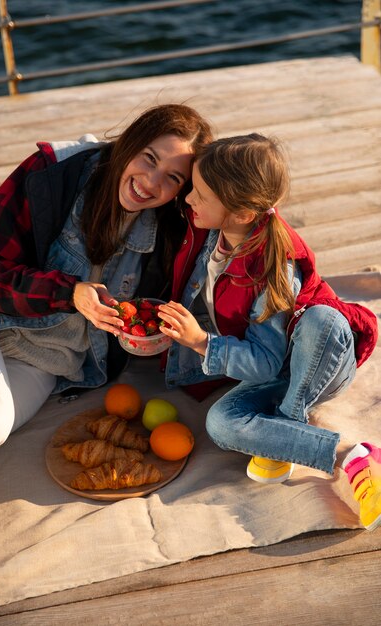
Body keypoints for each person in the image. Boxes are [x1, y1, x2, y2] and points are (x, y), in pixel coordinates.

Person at [0, 103, 213, 479]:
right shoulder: (53, 173)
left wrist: (153, 333)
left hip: (47, 359)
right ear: (131, 142)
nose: (151, 182)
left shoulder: (171, 227)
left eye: (172, 178)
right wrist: (68, 292)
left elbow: (235, 222)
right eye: (149, 158)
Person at [157, 133, 380, 531]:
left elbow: (263, 363)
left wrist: (199, 342)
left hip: (321, 357)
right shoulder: (215, 233)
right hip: (279, 366)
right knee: (220, 422)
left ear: (242, 213)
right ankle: (319, 443)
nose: (188, 198)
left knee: (320, 319)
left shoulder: (274, 268)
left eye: (200, 194)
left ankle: (353, 458)